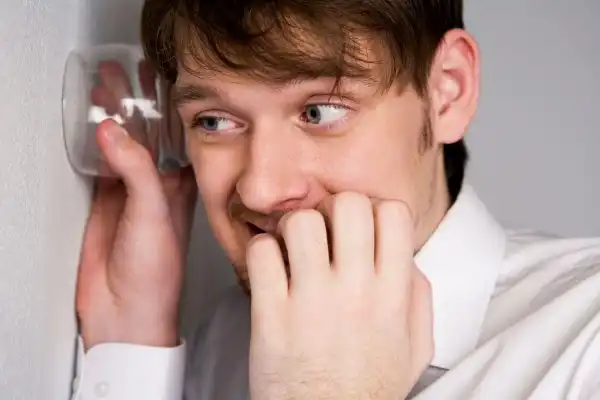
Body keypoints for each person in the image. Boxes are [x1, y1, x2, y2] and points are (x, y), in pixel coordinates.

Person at [71, 0, 600, 399]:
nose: (260, 189)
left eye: (319, 112)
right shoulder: (226, 340)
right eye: (214, 121)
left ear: (447, 91)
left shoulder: (585, 345)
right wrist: (133, 347)